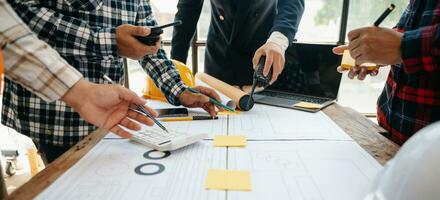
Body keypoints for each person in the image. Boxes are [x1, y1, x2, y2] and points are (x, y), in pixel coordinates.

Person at [5, 0, 222, 163]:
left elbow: (150, 48)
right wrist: (105, 41)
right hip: (56, 116)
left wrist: (181, 91)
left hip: (111, 116)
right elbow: (18, 13)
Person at [333, 0, 440, 145]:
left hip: (429, 152)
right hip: (389, 135)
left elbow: (406, 42)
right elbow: (416, 29)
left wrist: (402, 46)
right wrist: (378, 51)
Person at [171, 0, 304, 87]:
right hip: (219, 63)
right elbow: (186, 14)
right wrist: (175, 74)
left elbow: (292, 3)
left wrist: (277, 41)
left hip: (264, 62)